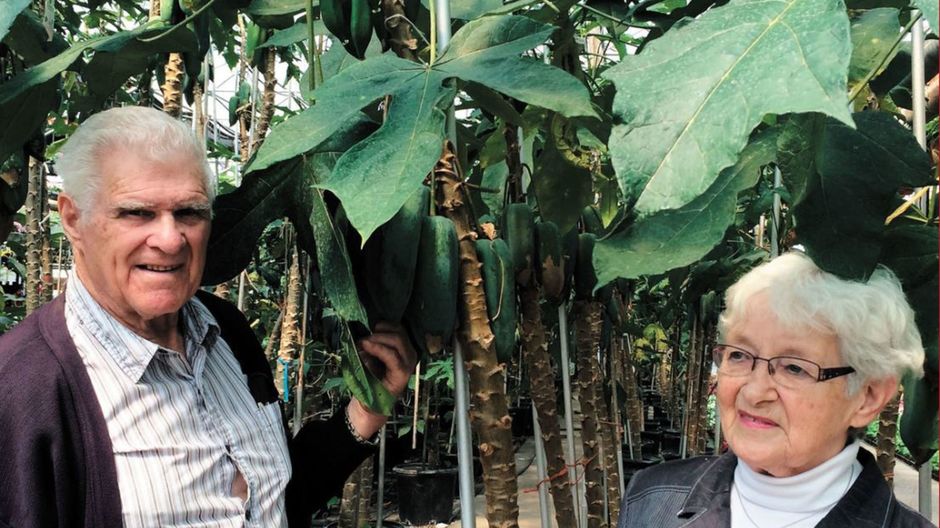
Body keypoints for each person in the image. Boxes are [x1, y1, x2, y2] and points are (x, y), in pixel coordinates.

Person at [0, 106, 417, 528]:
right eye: (137, 213)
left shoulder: (226, 330)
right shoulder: (23, 390)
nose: (169, 239)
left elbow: (275, 500)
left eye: (189, 213)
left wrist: (364, 413)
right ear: (72, 218)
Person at [618, 251, 935, 528]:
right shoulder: (651, 496)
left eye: (794, 367)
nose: (754, 392)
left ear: (868, 397)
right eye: (739, 355)